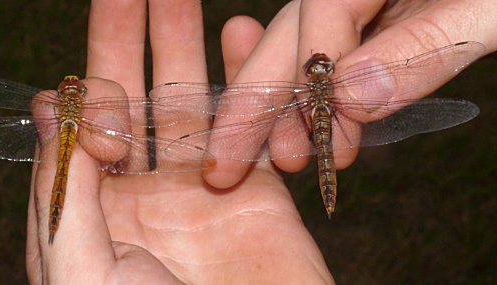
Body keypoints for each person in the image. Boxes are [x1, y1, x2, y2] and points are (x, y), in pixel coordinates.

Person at [26, 0, 496, 284]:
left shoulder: (302, 94)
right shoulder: (320, 90)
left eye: (322, 69)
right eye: (320, 70)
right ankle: (328, 188)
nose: (320, 71)